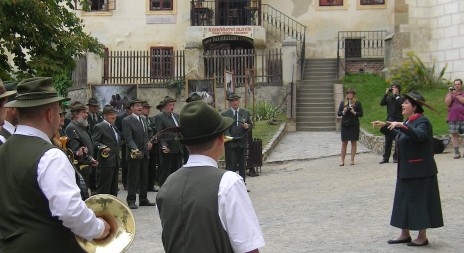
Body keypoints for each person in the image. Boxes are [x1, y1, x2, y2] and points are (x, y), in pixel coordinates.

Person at [0, 77, 110, 252]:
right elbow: (70, 211)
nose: (61, 118)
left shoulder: (4, 149)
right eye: (59, 112)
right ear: (50, 114)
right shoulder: (50, 155)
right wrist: (99, 228)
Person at [156, 100, 265, 253]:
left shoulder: (167, 184)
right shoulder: (229, 182)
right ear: (221, 139)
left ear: (185, 144)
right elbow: (248, 247)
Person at [371, 91, 443, 247]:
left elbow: (418, 136)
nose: (402, 105)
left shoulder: (423, 122)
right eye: (402, 102)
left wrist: (402, 125)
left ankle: (422, 236)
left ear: (415, 107)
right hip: (406, 170)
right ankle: (404, 234)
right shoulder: (409, 122)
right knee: (403, 202)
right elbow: (400, 137)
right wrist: (385, 126)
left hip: (421, 171)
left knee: (419, 202)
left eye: (406, 103)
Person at [122, 98, 155, 209]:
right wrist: (135, 149)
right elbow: (128, 139)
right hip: (134, 154)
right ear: (132, 108)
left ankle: (143, 199)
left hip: (145, 153)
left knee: (144, 177)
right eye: (137, 106)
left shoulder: (144, 119)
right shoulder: (127, 120)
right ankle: (131, 200)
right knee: (133, 178)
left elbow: (149, 132)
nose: (140, 107)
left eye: (141, 105)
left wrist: (150, 141)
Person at [65, 101, 99, 196]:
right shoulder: (71, 128)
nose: (86, 115)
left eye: (86, 112)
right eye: (83, 112)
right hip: (80, 169)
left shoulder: (82, 126)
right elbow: (76, 150)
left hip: (88, 167)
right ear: (76, 114)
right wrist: (90, 158)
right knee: (82, 196)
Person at [221, 92, 252, 185]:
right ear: (230, 103)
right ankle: (232, 185)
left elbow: (250, 125)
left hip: (242, 142)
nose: (235, 103)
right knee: (231, 165)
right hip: (231, 143)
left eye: (236, 100)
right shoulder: (225, 114)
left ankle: (242, 184)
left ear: (239, 101)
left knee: (242, 165)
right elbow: (224, 127)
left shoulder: (245, 112)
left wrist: (248, 126)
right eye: (232, 101)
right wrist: (229, 137)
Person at [154, 96, 183, 187]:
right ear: (165, 106)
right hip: (168, 148)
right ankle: (163, 190)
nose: (172, 107)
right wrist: (163, 145)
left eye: (173, 105)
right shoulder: (160, 117)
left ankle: (175, 190)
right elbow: (159, 133)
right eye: (170, 105)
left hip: (178, 147)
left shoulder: (176, 116)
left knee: (177, 171)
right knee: (165, 172)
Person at [92, 105, 121, 196]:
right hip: (105, 163)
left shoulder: (114, 127)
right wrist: (102, 147)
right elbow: (94, 142)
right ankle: (101, 209)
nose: (114, 116)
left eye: (114, 114)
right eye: (111, 115)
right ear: (105, 116)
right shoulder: (99, 126)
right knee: (104, 189)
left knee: (113, 190)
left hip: (115, 162)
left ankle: (111, 209)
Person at [337, 87, 363, 166]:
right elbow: (338, 113)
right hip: (345, 125)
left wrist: (354, 112)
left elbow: (361, 113)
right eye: (348, 93)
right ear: (347, 95)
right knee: (344, 142)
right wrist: (343, 111)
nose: (350, 95)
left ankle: (352, 159)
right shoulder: (343, 103)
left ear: (353, 95)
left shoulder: (357, 103)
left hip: (354, 124)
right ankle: (342, 160)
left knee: (353, 142)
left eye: (351, 93)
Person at [379, 83, 403, 164]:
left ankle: (396, 157)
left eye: (395, 88)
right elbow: (382, 103)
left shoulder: (401, 98)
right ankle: (386, 158)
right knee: (388, 140)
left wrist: (396, 95)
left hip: (397, 121)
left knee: (397, 140)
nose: (393, 89)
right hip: (389, 121)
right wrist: (386, 94)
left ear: (398, 89)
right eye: (392, 88)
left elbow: (401, 103)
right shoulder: (389, 98)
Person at [444, 78, 464, 159]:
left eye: (458, 84)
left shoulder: (462, 94)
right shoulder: (449, 94)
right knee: (454, 134)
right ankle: (456, 152)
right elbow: (447, 103)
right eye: (455, 84)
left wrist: (456, 95)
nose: (456, 86)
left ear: (461, 85)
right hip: (453, 117)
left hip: (463, 116)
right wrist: (450, 94)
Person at [115, 102, 132, 190]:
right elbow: (117, 130)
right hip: (125, 143)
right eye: (128, 109)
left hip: (133, 143)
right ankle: (125, 183)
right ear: (126, 109)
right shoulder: (121, 118)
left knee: (131, 164)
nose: (130, 110)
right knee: (125, 163)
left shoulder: (134, 118)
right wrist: (124, 135)